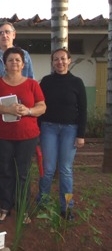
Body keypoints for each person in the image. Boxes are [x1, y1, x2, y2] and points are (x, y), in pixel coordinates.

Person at [0, 47, 46, 223]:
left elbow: (42, 106)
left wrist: (28, 111)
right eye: (10, 60)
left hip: (27, 136)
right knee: (5, 171)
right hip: (2, 135)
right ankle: (5, 207)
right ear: (5, 64)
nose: (14, 63)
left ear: (23, 63)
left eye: (17, 60)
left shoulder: (32, 84)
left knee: (23, 172)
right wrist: (7, 109)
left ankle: (23, 208)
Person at [0, 21, 34, 207]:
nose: (4, 35)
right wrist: (1, 109)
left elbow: (30, 84)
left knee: (20, 161)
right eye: (0, 33)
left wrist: (19, 109)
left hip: (21, 117)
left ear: (14, 34)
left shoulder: (24, 56)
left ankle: (18, 195)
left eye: (7, 32)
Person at [38, 48, 87, 221]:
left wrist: (80, 134)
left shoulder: (77, 83)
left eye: (63, 59)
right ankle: (42, 201)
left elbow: (83, 110)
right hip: (48, 128)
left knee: (65, 170)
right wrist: (38, 130)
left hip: (70, 130)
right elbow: (39, 106)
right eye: (56, 59)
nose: (60, 62)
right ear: (52, 62)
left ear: (69, 60)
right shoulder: (46, 81)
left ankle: (66, 207)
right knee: (49, 169)